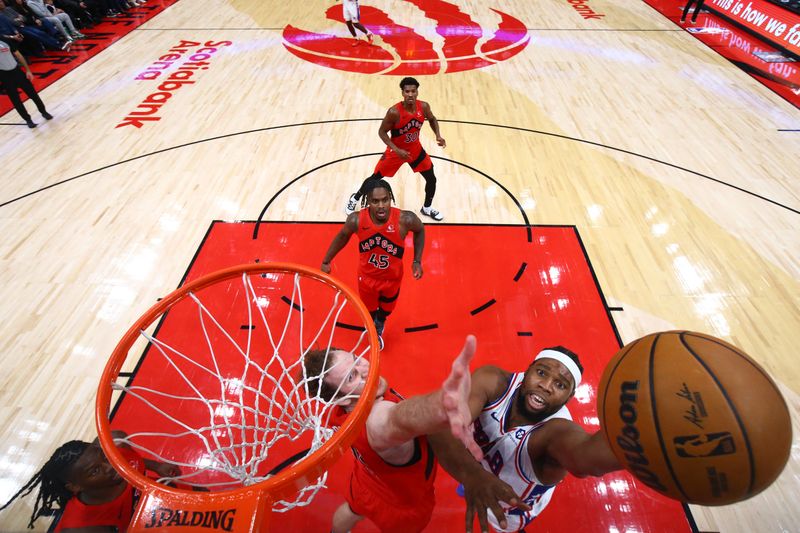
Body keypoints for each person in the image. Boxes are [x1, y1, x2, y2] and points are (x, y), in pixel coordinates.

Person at [429, 343, 623, 533]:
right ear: (527, 370)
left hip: (509, 511)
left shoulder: (555, 432)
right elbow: (442, 425)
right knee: (470, 473)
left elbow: (588, 459)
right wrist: (473, 477)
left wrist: (638, 436)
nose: (546, 386)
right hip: (477, 472)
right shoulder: (492, 381)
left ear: (569, 397)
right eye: (541, 373)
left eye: (560, 384)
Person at [302, 335, 482, 533]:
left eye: (355, 358)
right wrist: (441, 406)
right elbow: (397, 418)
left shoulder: (341, 411)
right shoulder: (377, 422)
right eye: (351, 377)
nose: (365, 369)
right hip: (401, 506)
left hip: (366, 482)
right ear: (343, 400)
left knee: (351, 511)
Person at [0, 431, 180, 532]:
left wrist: (156, 465)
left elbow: (127, 456)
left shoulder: (117, 448)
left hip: (159, 501)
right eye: (95, 471)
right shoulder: (86, 528)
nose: (110, 465)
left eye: (103, 455)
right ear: (75, 486)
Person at [322, 179, 424, 349]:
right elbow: (342, 237)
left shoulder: (405, 219)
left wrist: (417, 260)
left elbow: (420, 230)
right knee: (368, 310)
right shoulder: (356, 220)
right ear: (367, 202)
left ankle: (380, 322)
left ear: (390, 198)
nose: (381, 205)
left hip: (393, 278)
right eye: (375, 201)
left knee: (386, 309)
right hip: (367, 277)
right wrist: (326, 260)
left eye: (385, 199)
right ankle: (373, 328)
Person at [345, 77, 447, 221]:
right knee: (375, 179)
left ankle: (427, 208)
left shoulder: (423, 107)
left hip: (415, 150)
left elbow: (432, 119)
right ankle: (354, 199)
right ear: (402, 93)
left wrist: (438, 135)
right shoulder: (394, 112)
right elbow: (381, 132)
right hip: (395, 152)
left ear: (417, 92)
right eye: (407, 91)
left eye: (413, 91)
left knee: (431, 179)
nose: (410, 94)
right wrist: (397, 150)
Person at [0, 37, 53, 127]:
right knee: (16, 101)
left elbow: (18, 54)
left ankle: (44, 112)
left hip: (17, 71)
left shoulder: (4, 39)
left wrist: (28, 70)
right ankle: (28, 120)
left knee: (33, 94)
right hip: (4, 75)